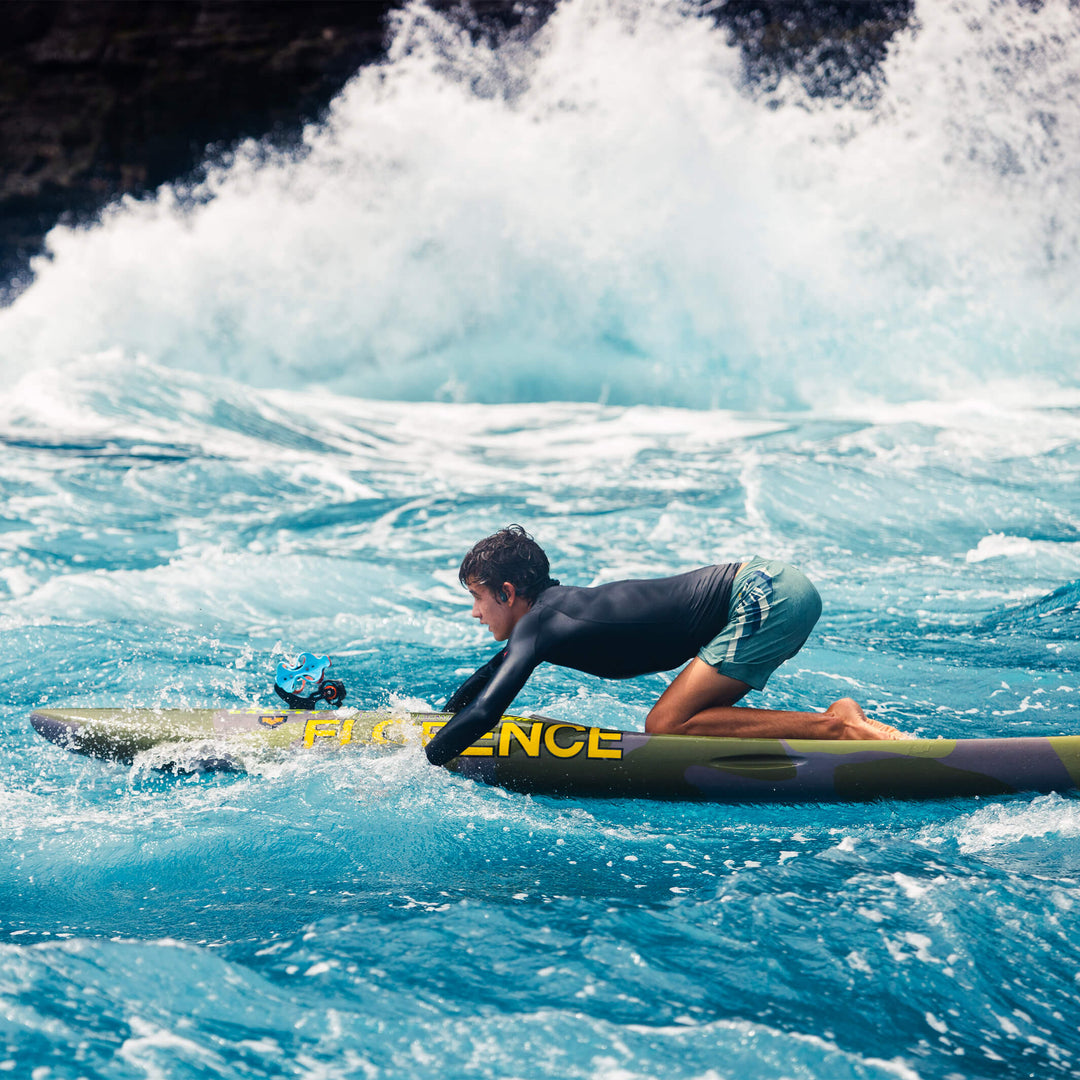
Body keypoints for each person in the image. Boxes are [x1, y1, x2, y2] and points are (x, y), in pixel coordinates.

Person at [424, 525, 903, 766]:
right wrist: (435, 723)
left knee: (666, 723)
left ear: (508, 593)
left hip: (762, 594)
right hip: (770, 584)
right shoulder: (547, 615)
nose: (475, 612)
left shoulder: (540, 622)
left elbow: (488, 712)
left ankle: (838, 729)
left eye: (477, 598)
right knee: (687, 721)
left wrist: (422, 760)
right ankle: (839, 718)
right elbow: (487, 680)